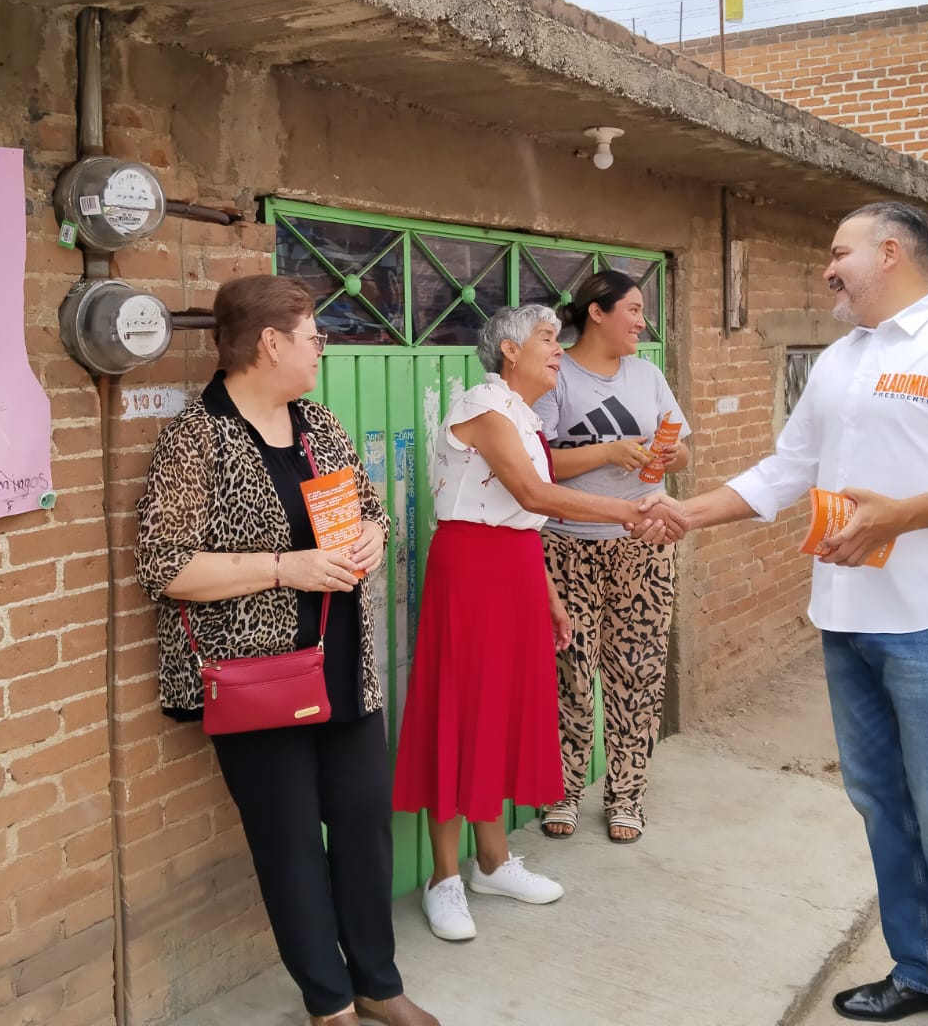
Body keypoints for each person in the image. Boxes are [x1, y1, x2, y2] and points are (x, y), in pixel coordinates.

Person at [665, 203, 928, 1026]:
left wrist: (900, 515)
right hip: (847, 617)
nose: (827, 267)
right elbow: (789, 466)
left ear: (888, 253)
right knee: (881, 801)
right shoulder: (844, 358)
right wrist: (686, 513)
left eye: (837, 251)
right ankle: (923, 969)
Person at [135, 275, 436, 1026]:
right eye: (313, 337)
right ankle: (328, 1003)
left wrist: (373, 533)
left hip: (340, 664)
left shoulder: (317, 426)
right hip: (255, 679)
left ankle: (377, 983)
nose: (321, 351)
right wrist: (282, 568)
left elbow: (366, 512)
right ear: (270, 343)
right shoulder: (196, 439)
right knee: (290, 842)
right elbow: (164, 567)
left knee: (364, 825)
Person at [391, 304, 687, 943]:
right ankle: (445, 877)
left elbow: (526, 521)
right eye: (547, 340)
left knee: (499, 712)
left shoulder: (523, 417)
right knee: (459, 713)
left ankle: (493, 861)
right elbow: (533, 495)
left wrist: (550, 597)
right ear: (508, 352)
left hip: (518, 570)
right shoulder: (484, 409)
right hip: (471, 572)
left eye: (557, 338)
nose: (559, 349)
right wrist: (628, 510)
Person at [533, 270, 691, 844]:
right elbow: (538, 462)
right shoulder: (557, 376)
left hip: (642, 545)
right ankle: (564, 791)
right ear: (596, 313)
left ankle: (626, 796)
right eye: (632, 309)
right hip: (567, 545)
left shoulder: (648, 375)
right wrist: (608, 451)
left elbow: (680, 446)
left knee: (639, 671)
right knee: (570, 673)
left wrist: (664, 458)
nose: (641, 322)